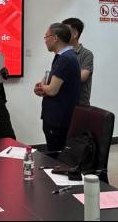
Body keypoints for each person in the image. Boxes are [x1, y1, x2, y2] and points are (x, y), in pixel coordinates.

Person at [34, 23, 81, 152]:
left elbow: (52, 90)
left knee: (56, 156)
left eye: (46, 37)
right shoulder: (63, 56)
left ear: (55, 38)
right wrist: (43, 87)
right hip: (57, 116)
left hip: (58, 119)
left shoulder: (65, 59)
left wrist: (40, 89)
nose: (45, 41)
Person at [62, 17, 94, 106]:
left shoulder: (86, 54)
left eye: (65, 31)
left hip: (79, 105)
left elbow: (82, 77)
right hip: (62, 104)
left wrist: (59, 78)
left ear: (75, 34)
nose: (62, 34)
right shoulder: (62, 53)